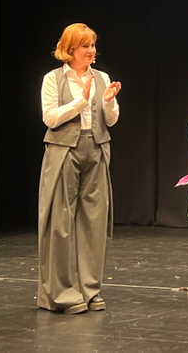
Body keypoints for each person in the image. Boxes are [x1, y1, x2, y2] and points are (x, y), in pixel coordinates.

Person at [38, 23, 122, 314]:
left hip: (96, 148)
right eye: (85, 45)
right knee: (60, 224)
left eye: (93, 45)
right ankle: (61, 294)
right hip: (64, 150)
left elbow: (110, 120)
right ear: (70, 49)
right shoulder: (53, 79)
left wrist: (108, 103)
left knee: (94, 223)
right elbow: (50, 118)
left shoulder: (102, 77)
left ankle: (90, 290)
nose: (91, 51)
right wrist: (80, 101)